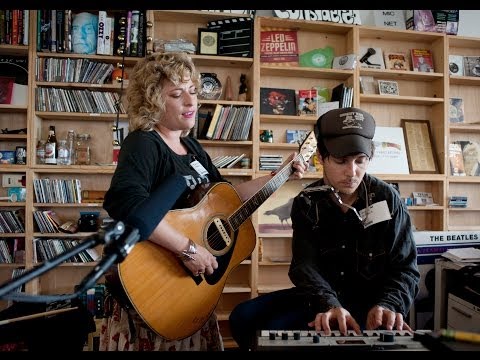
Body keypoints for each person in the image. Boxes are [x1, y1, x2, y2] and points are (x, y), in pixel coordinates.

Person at [99, 52, 306, 351]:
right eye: (176, 94)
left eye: (193, 92)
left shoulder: (191, 146)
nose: (191, 102)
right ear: (152, 100)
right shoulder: (143, 142)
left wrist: (279, 174)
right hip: (154, 289)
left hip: (189, 293)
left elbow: (227, 199)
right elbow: (129, 207)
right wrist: (188, 250)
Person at [229, 107, 420, 350]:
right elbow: (304, 266)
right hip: (322, 296)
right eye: (340, 161)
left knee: (276, 340)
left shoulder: (387, 199)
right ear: (320, 157)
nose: (352, 173)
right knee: (243, 318)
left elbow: (406, 269)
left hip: (371, 302)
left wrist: (389, 305)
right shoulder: (307, 201)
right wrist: (328, 304)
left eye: (360, 161)